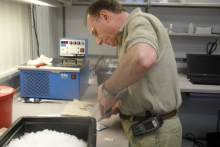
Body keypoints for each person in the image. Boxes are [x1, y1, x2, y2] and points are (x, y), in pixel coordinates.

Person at [86, 0, 182, 146]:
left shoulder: (139, 22)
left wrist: (107, 90)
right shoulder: (127, 35)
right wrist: (125, 105)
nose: (98, 41)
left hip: (155, 133)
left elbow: (142, 58)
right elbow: (141, 78)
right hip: (143, 127)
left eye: (95, 32)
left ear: (105, 16)